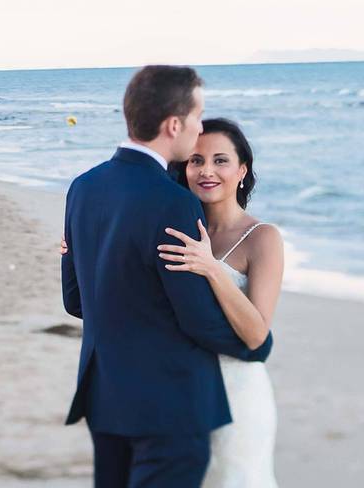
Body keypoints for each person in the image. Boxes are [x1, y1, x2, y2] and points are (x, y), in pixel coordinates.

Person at [60, 66, 273, 488]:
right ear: (174, 124)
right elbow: (194, 316)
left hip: (106, 396)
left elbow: (75, 301)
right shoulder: (173, 203)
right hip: (170, 404)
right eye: (197, 117)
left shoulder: (82, 187)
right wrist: (253, 346)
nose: (198, 128)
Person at [163, 117, 284, 487]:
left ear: (242, 170)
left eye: (220, 160)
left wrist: (212, 269)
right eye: (196, 160)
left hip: (238, 397)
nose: (206, 171)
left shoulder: (262, 238)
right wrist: (78, 249)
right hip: (178, 392)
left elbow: (255, 334)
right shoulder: (174, 230)